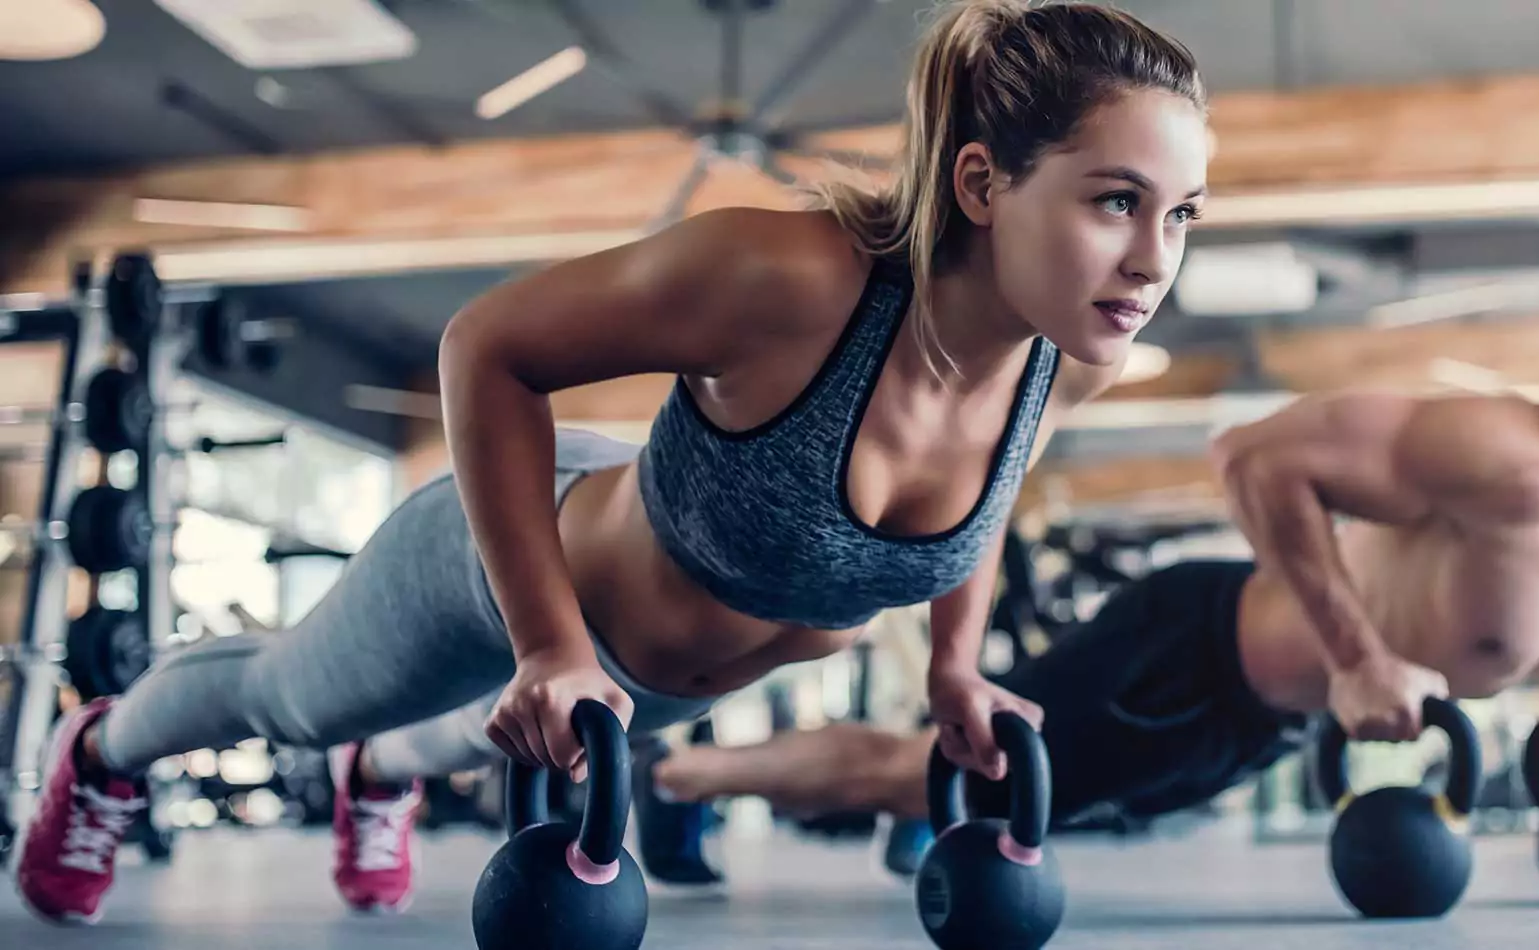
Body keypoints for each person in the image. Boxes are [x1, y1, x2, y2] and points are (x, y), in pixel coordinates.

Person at [15, 0, 1213, 925]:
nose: (1153, 258)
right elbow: (488, 346)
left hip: (640, 679)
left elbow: (981, 502)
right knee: (289, 700)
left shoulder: (1068, 362)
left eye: (1182, 214)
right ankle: (103, 750)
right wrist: (547, 642)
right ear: (982, 184)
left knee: (471, 729)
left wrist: (955, 667)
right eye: (1118, 200)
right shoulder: (790, 281)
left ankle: (379, 775)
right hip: (516, 562)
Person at [634, 246, 1539, 868]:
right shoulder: (1518, 455)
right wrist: (1360, 653)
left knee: (979, 797)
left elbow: (1522, 603)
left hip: (1245, 721)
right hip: (1188, 654)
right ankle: (682, 781)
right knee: (920, 774)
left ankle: (724, 782)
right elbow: (1254, 452)